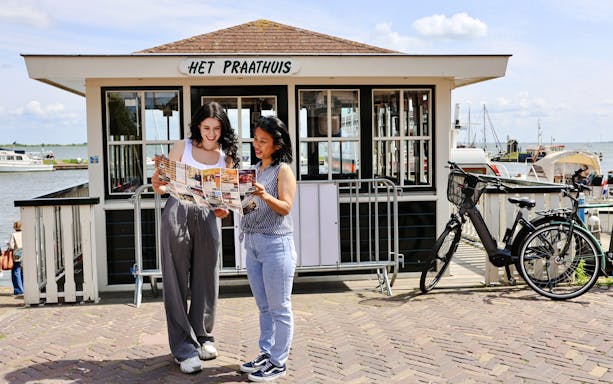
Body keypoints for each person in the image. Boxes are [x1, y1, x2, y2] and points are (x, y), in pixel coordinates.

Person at [151, 101, 239, 374]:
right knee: (176, 281)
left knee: (207, 276)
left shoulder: (227, 157)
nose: (211, 134)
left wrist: (224, 209)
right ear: (198, 127)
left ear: (222, 129)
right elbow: (161, 186)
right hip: (178, 210)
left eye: (216, 128)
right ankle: (183, 348)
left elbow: (226, 201)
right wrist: (159, 182)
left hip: (208, 214)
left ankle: (203, 336)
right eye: (206, 128)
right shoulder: (182, 147)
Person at [239, 116, 297, 382]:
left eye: (263, 141)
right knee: (264, 307)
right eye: (255, 139)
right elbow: (250, 207)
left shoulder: (282, 170)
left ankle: (279, 362)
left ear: (276, 144)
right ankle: (266, 353)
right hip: (253, 245)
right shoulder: (253, 170)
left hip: (276, 245)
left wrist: (264, 194)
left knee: (280, 307)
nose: (257, 145)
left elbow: (285, 207)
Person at [7, 221, 24, 297]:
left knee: (16, 271)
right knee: (23, 272)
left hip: (17, 253)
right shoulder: (25, 234)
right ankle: (24, 288)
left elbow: (11, 246)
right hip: (24, 253)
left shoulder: (13, 234)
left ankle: (19, 290)